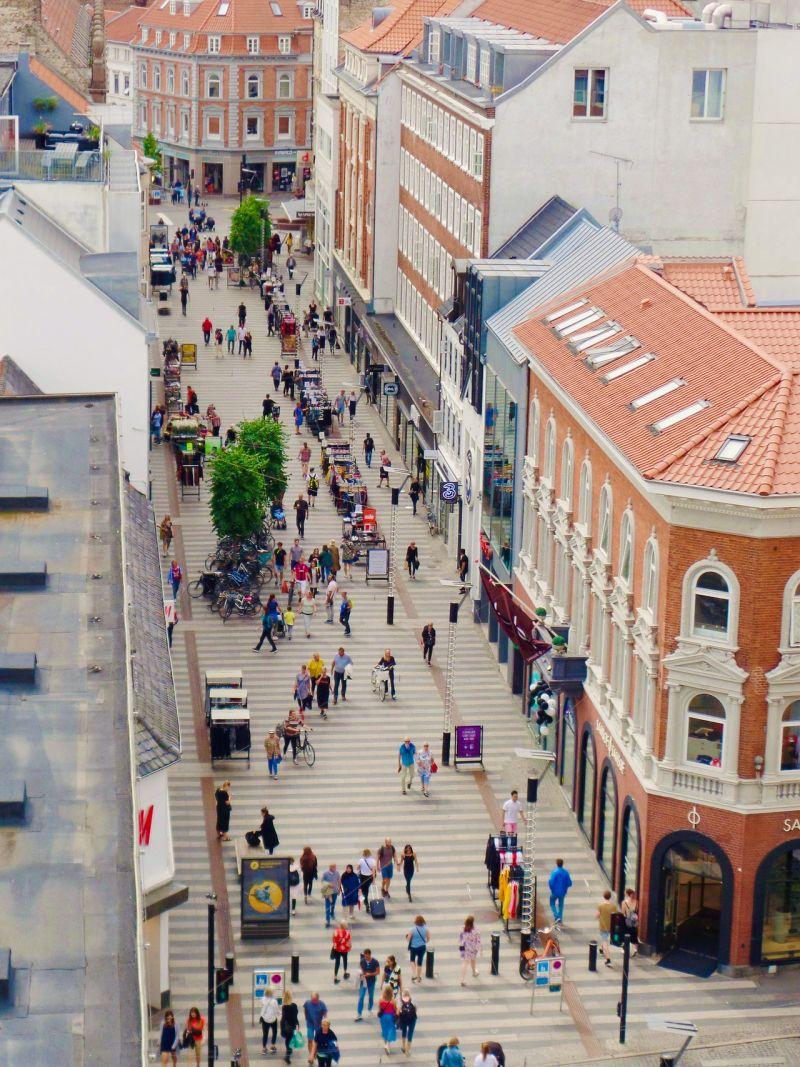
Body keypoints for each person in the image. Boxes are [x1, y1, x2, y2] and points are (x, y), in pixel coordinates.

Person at [355, 948, 380, 1020]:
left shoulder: (375, 962)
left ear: (369, 955)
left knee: (371, 996)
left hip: (371, 981)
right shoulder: (362, 961)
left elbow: (378, 972)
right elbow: (360, 969)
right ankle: (359, 1013)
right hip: (364, 982)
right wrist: (360, 974)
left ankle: (370, 1009)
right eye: (364, 956)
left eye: (367, 956)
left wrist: (370, 974)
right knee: (361, 997)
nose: (365, 957)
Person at [548, 858, 573, 927]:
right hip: (563, 892)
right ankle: (560, 918)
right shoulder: (565, 872)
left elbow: (551, 882)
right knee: (561, 905)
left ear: (557, 864)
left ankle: (557, 917)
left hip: (555, 892)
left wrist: (551, 888)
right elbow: (569, 883)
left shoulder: (554, 872)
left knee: (552, 903)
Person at [597, 889, 618, 966]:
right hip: (611, 927)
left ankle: (608, 959)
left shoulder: (600, 906)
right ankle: (602, 950)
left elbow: (597, 915)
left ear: (604, 896)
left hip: (603, 926)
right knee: (604, 940)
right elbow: (615, 916)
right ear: (610, 897)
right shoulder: (614, 906)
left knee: (605, 941)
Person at [303, 992, 328, 1056]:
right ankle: (311, 1054)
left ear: (318, 999)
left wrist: (325, 1022)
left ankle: (316, 1051)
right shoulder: (307, 1003)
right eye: (312, 999)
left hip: (319, 1025)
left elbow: (325, 1014)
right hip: (310, 1024)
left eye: (314, 1000)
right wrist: (306, 1017)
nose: (313, 1001)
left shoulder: (322, 1004)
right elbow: (305, 1008)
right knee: (310, 1040)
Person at [459, 916, 481, 985]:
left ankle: (462, 979)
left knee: (465, 963)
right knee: (473, 960)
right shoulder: (476, 930)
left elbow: (460, 938)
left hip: (465, 948)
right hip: (473, 949)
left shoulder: (463, 928)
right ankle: (474, 972)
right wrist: (479, 949)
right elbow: (478, 941)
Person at [406, 912, 428, 982]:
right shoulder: (426, 929)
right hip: (422, 947)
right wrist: (424, 942)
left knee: (412, 960)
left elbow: (408, 939)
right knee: (420, 962)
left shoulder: (412, 929)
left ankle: (414, 973)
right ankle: (419, 977)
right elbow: (428, 938)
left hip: (413, 947)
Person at [280, 988, 299, 1063]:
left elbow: (283, 1019)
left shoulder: (284, 1007)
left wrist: (281, 1029)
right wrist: (297, 1025)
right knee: (290, 1040)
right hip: (292, 1026)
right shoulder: (294, 1006)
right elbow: (295, 1017)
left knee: (287, 1040)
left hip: (286, 1027)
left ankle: (288, 1054)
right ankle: (288, 1053)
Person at [378, 986, 398, 1055]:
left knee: (384, 1030)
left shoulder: (381, 999)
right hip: (390, 1017)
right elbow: (395, 1009)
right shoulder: (393, 1000)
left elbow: (379, 1008)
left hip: (383, 1017)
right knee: (391, 1030)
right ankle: (388, 1045)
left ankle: (385, 1044)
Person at [260, 988, 280, 1054]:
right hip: (273, 1019)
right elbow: (277, 1010)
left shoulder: (262, 999)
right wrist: (280, 1013)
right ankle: (273, 1046)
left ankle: (264, 1048)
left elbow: (262, 1007)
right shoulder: (274, 1001)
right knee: (274, 1032)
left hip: (265, 1019)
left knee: (265, 1034)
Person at [321, 862, 341, 926]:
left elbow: (339, 880)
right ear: (330, 867)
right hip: (328, 892)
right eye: (334, 867)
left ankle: (332, 913)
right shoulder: (325, 874)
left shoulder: (337, 873)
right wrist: (328, 884)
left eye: (335, 867)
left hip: (335, 891)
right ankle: (327, 920)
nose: (335, 868)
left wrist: (339, 889)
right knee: (327, 905)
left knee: (333, 904)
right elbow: (322, 881)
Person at [621, 887, 639, 956]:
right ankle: (635, 949)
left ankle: (624, 948)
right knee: (634, 934)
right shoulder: (636, 902)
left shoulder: (624, 902)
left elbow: (623, 913)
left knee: (626, 934)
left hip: (627, 920)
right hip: (634, 920)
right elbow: (636, 911)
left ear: (628, 894)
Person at [399, 990, 417, 1056]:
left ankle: (403, 1047)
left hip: (404, 1019)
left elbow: (399, 1011)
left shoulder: (401, 1002)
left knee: (404, 1031)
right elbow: (415, 1009)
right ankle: (407, 1050)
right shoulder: (413, 1001)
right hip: (412, 1019)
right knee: (410, 1033)